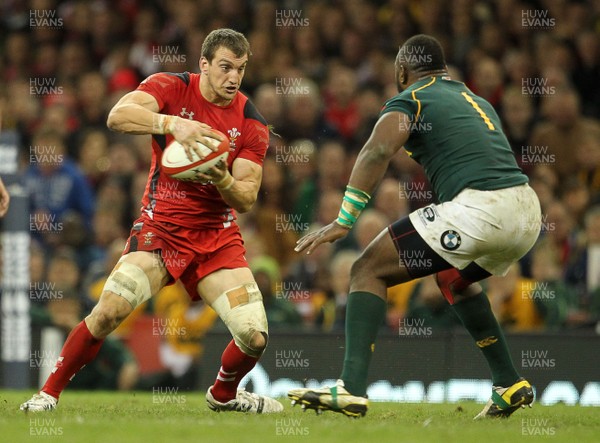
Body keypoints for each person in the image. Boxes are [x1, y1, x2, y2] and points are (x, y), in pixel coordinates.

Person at [21, 28, 283, 414]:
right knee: (108, 311)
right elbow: (118, 116)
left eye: (241, 70)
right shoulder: (171, 87)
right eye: (225, 67)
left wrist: (221, 177)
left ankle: (224, 395)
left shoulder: (250, 121)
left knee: (254, 336)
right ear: (204, 64)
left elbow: (245, 197)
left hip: (215, 238)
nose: (233, 78)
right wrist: (172, 124)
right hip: (160, 230)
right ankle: (47, 394)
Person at [288, 35, 541, 420]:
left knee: (366, 269)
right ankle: (509, 382)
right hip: (527, 212)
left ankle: (350, 389)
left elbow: (377, 149)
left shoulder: (413, 97)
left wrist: (345, 219)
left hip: (481, 208)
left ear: (402, 71)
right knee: (453, 280)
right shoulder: (475, 99)